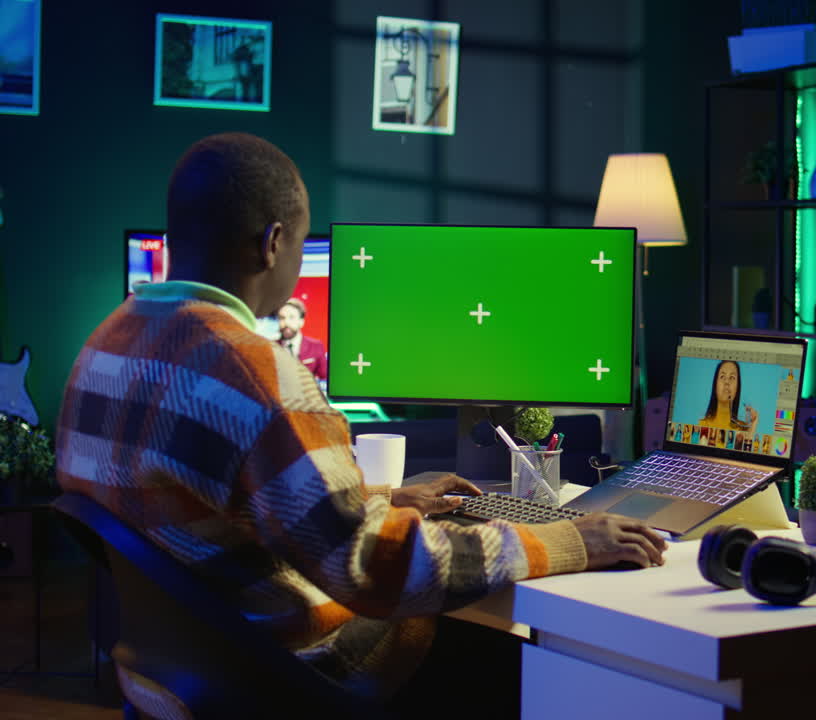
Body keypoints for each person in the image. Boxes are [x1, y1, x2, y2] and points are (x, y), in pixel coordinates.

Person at [55, 132, 665, 710]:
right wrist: (567, 540)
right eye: (296, 244)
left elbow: (213, 505)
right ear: (272, 243)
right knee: (527, 664)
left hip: (181, 674)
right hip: (296, 677)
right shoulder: (255, 373)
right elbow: (376, 571)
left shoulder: (103, 347)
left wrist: (382, 499)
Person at [275, 296, 328, 381]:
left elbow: (324, 379)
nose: (286, 322)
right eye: (282, 318)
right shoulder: (271, 347)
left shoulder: (316, 346)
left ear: (301, 321)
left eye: (291, 317)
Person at [699, 360, 758, 434]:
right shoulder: (701, 425)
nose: (727, 382)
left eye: (732, 377)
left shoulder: (743, 429)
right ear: (715, 385)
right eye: (722, 376)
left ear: (737, 387)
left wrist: (751, 429)